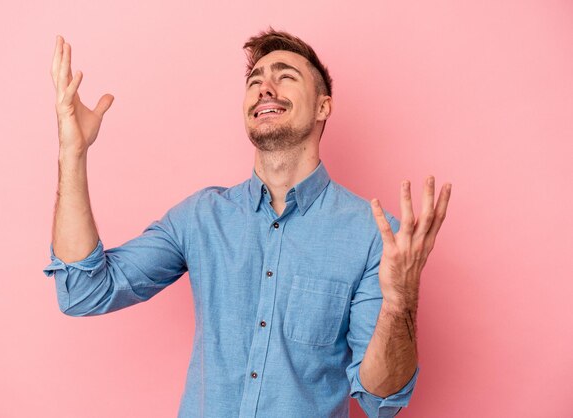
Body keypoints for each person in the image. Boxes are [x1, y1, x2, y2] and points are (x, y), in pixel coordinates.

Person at [44, 27, 451, 418]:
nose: (265, 88)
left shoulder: (373, 235)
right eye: (255, 80)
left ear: (324, 106)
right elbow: (83, 291)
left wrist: (400, 303)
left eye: (285, 76)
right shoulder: (202, 216)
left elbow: (383, 399)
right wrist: (72, 151)